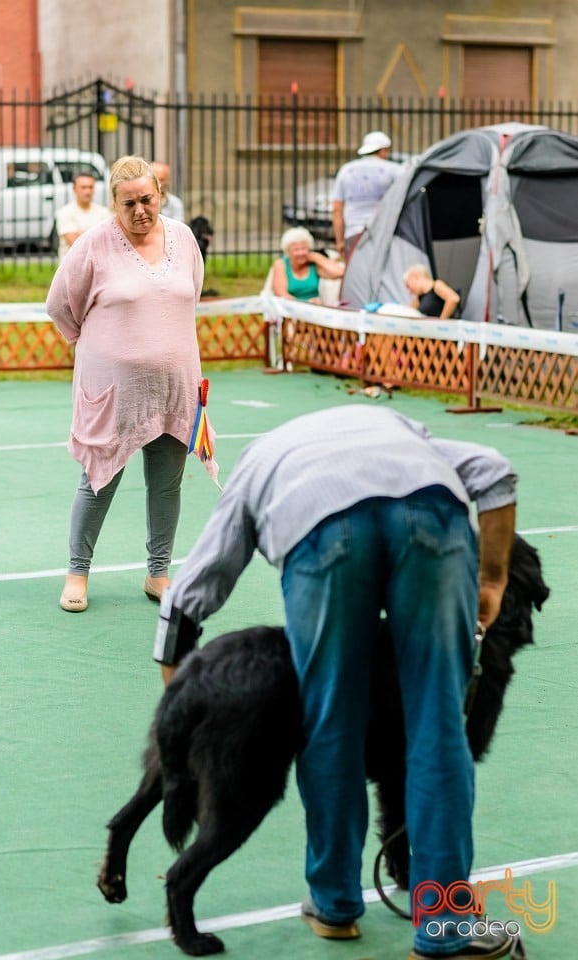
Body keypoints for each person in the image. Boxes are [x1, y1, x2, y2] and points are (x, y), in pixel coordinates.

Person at [154, 404, 520, 960]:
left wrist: (176, 695)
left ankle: (334, 906)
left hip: (321, 535)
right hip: (434, 521)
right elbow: (495, 472)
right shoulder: (405, 432)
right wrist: (492, 578)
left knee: (331, 724)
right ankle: (446, 924)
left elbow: (187, 599)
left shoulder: (259, 462)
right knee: (439, 728)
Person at [46, 155, 204, 613]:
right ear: (113, 203)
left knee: (167, 485)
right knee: (99, 481)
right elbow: (60, 305)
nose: (140, 210)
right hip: (114, 392)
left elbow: (189, 294)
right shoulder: (94, 244)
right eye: (129, 203)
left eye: (148, 200)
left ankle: (159, 574)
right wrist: (99, 346)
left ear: (160, 195)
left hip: (175, 387)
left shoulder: (184, 238)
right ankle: (77, 573)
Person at [331, 130, 403, 258]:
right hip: (384, 232)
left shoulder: (346, 170)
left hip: (353, 233)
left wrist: (340, 241)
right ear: (383, 150)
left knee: (356, 274)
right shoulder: (395, 170)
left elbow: (337, 209)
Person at [270, 226, 345, 303]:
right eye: (296, 250)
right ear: (288, 252)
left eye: (304, 248)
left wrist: (317, 257)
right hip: (289, 310)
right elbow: (281, 294)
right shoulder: (281, 264)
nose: (301, 253)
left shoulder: (313, 265)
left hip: (314, 309)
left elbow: (340, 273)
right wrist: (307, 303)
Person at [54, 171, 110, 260]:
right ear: (74, 189)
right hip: (72, 267)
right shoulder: (65, 213)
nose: (87, 191)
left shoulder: (104, 212)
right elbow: (76, 244)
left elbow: (110, 240)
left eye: (90, 187)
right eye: (83, 187)